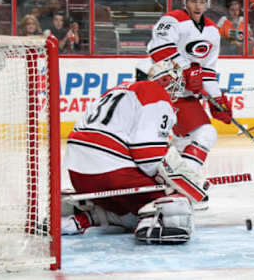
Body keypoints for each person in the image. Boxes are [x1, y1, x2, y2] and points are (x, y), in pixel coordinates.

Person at [62, 60, 207, 244]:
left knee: (130, 209)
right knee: (177, 203)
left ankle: (90, 217)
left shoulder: (117, 89)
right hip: (111, 174)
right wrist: (179, 184)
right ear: (165, 80)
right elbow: (149, 157)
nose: (176, 89)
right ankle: (153, 222)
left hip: (79, 176)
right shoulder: (156, 94)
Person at [147, 0, 232, 177]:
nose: (198, 6)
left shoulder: (212, 31)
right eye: (193, 1)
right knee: (201, 135)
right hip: (162, 90)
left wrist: (217, 100)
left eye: (202, 1)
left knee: (186, 139)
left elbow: (208, 72)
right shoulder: (172, 20)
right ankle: (185, 178)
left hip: (184, 96)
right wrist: (185, 70)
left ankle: (174, 179)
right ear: (185, 1)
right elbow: (159, 49)